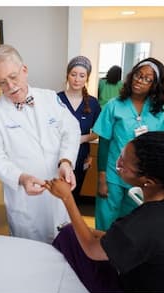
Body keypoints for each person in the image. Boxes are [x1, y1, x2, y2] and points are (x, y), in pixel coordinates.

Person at [45, 131, 164, 293]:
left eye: (123, 165)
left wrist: (67, 197)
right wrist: (94, 233)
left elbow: (92, 249)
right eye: (121, 156)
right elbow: (141, 242)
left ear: (148, 182)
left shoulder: (146, 222)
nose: (118, 164)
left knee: (68, 235)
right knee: (75, 232)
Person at [0, 45, 80, 243]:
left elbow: (71, 129)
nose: (10, 86)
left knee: (65, 246)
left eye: (14, 77)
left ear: (24, 70)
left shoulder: (50, 98)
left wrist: (66, 161)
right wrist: (21, 177)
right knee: (30, 250)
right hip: (25, 198)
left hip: (57, 189)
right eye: (2, 83)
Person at [93, 57, 164, 231]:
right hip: (114, 175)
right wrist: (102, 177)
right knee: (106, 223)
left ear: (154, 84)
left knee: (132, 224)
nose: (139, 81)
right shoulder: (114, 106)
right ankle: (99, 257)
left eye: (146, 79)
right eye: (137, 75)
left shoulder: (158, 110)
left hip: (141, 178)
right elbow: (104, 143)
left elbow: (159, 143)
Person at [57, 56, 101, 201]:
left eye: (82, 75)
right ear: (67, 76)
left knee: (73, 196)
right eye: (73, 74)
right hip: (57, 156)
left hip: (82, 156)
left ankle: (70, 223)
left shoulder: (93, 103)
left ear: (87, 78)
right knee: (57, 196)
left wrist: (80, 139)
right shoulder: (55, 100)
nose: (77, 79)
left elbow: (97, 132)